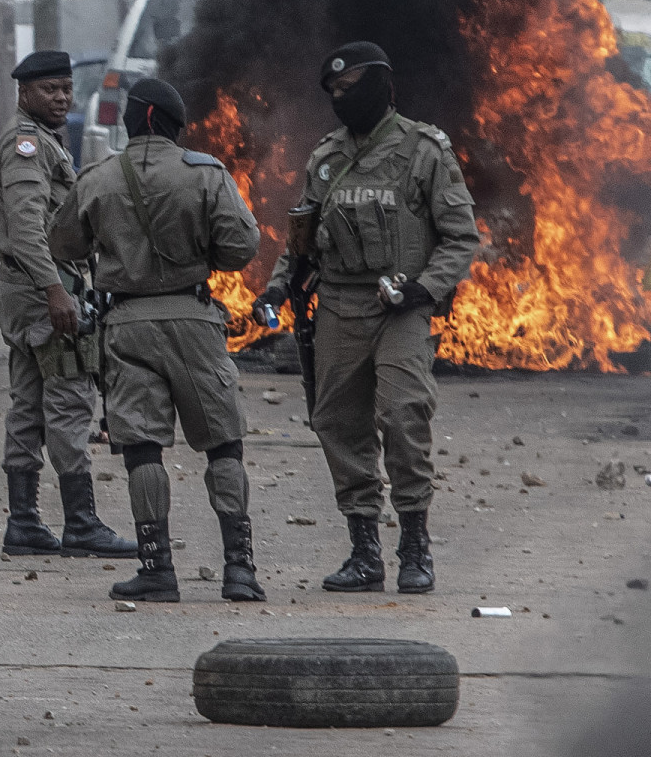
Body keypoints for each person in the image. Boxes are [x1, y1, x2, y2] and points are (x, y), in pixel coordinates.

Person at [252, 42, 479, 595]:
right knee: (337, 423)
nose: (340, 98)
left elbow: (460, 237)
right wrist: (278, 289)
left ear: (381, 85)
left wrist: (423, 290)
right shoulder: (325, 158)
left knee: (403, 415)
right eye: (333, 91)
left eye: (350, 87)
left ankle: (415, 547)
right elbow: (301, 239)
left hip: (400, 306)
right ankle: (364, 551)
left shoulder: (424, 150)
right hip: (337, 306)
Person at [49, 78, 264, 603]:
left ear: (138, 119)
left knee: (142, 447)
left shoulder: (99, 177)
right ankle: (239, 571)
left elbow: (61, 241)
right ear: (171, 123)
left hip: (127, 326)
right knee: (222, 442)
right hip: (194, 321)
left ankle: (156, 569)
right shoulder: (206, 174)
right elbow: (242, 248)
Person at [0, 49, 132, 559]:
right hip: (41, 290)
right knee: (69, 400)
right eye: (50, 89)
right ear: (25, 93)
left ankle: (24, 523)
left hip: (25, 289)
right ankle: (81, 524)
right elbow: (27, 228)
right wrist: (56, 292)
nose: (62, 97)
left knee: (27, 405)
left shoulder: (43, 141)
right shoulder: (27, 144)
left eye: (66, 89)